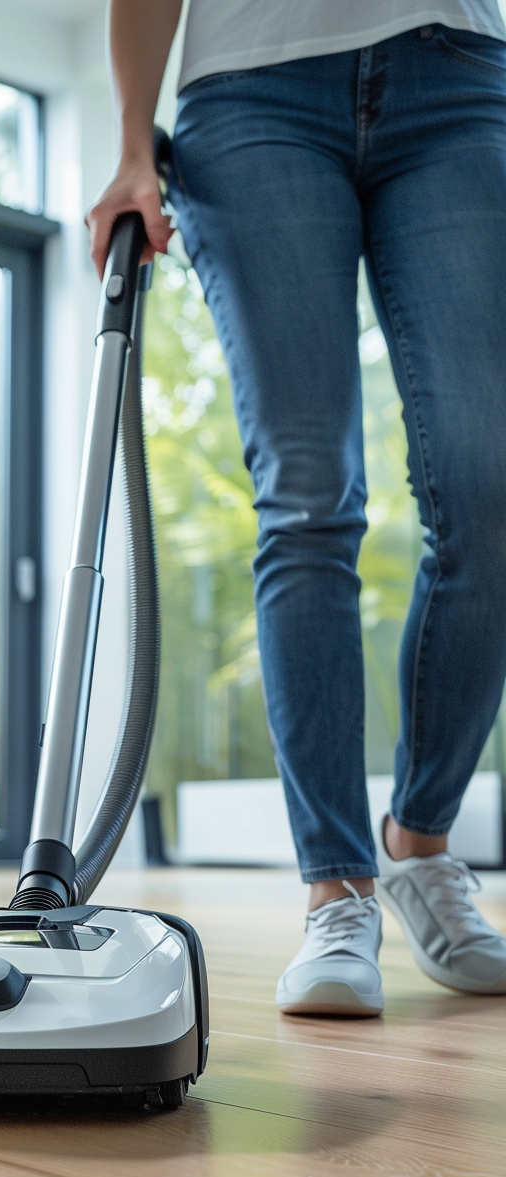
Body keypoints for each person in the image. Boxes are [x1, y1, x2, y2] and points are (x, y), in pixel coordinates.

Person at [88, 0, 506, 1015]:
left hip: (457, 75)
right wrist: (133, 142)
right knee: (309, 498)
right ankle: (336, 888)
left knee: (487, 483)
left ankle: (419, 841)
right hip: (250, 94)